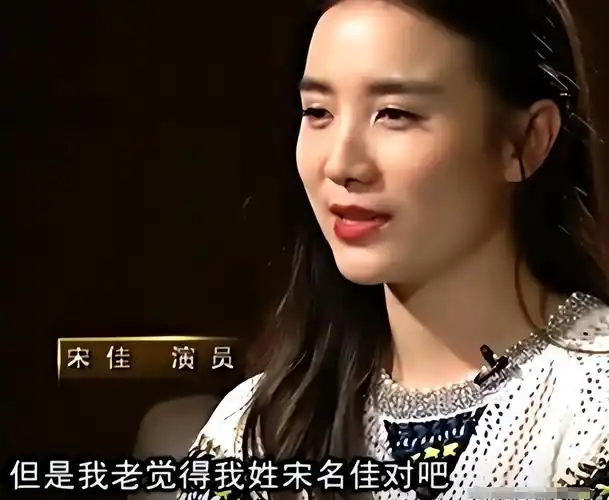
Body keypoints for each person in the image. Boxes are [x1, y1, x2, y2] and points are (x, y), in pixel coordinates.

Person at [179, 0, 609, 498]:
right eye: (317, 112)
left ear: (526, 140)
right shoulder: (254, 430)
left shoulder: (592, 409)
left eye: (394, 114)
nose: (341, 164)